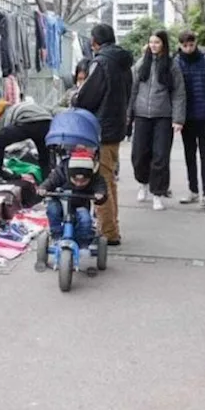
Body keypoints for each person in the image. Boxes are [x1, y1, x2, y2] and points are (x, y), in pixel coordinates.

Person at [71, 24, 134, 245]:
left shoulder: (101, 62)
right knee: (110, 178)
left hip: (101, 128)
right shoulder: (123, 63)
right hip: (116, 126)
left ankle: (108, 232)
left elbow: (88, 95)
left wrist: (75, 100)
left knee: (101, 179)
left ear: (95, 41)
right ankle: (111, 226)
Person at [129, 30, 187, 211]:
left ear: (163, 44)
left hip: (163, 116)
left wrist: (178, 119)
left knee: (160, 156)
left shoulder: (172, 65)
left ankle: (157, 193)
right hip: (141, 115)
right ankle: (143, 183)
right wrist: (128, 114)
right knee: (139, 155)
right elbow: (133, 90)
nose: (153, 45)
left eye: (157, 42)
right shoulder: (140, 64)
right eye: (151, 42)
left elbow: (179, 93)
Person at [175, 32, 205, 208]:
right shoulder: (176, 63)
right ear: (180, 45)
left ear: (196, 44)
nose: (188, 48)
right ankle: (193, 190)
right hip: (186, 117)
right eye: (185, 45)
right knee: (189, 155)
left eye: (191, 44)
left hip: (204, 117)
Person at [39, 148, 108, 259]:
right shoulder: (61, 172)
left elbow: (101, 188)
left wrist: (100, 194)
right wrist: (44, 188)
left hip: (80, 204)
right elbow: (50, 181)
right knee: (52, 209)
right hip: (61, 202)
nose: (79, 184)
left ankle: (83, 244)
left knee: (86, 219)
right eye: (75, 180)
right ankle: (57, 235)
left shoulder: (95, 178)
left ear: (90, 177)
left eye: (84, 181)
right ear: (69, 175)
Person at [0, 99, 54, 183]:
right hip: (47, 122)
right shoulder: (21, 106)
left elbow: (4, 132)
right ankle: (46, 182)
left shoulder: (8, 111)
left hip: (30, 122)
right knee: (44, 156)